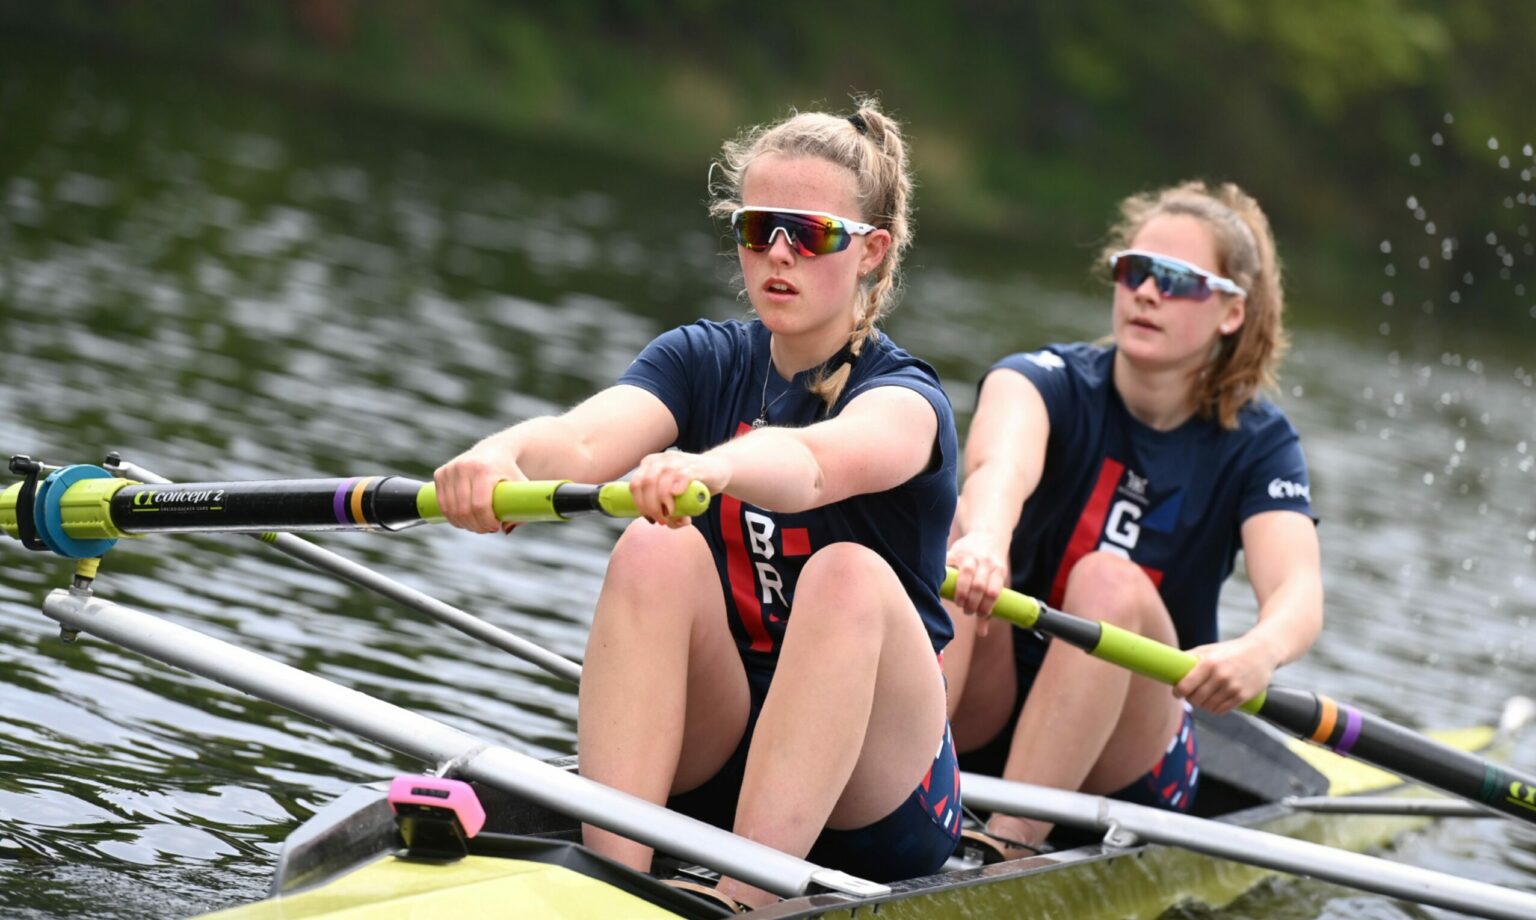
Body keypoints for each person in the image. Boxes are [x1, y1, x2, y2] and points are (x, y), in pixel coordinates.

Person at [434, 101, 961, 907]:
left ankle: (741, 897)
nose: (779, 253)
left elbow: (813, 468)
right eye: (758, 229)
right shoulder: (700, 359)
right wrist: (497, 455)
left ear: (870, 252)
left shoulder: (906, 401)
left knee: (846, 574)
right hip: (718, 753)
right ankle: (611, 883)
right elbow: (578, 446)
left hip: (879, 802)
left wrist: (710, 468)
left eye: (811, 233)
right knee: (653, 546)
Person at [942, 180, 1323, 856]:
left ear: (1231, 312)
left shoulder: (1260, 443)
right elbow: (998, 471)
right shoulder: (1041, 378)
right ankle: (882, 799)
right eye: (1135, 271)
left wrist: (1258, 653)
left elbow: (1297, 592)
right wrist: (987, 540)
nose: (1146, 292)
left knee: (1107, 582)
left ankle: (1006, 852)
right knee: (950, 536)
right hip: (990, 707)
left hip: (1133, 756)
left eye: (1176, 280)